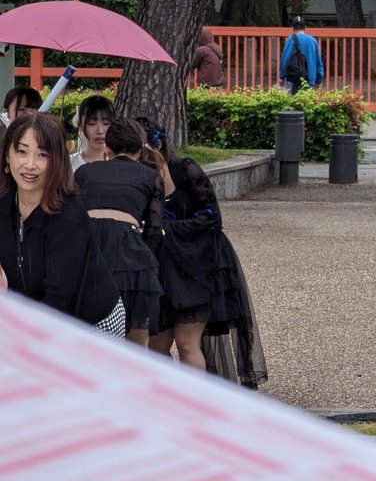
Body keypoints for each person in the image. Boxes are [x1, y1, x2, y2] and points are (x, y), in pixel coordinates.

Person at [136, 116, 265, 384]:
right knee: (156, 345)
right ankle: (163, 401)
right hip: (163, 268)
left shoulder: (186, 169)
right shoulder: (138, 179)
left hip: (200, 263)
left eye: (146, 150)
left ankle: (197, 403)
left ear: (158, 145)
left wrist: (165, 228)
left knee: (186, 342)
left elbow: (213, 219)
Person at [0, 112, 125, 337]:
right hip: (36, 313)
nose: (30, 165)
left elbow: (58, 297)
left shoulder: (68, 215)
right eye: (21, 151)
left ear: (57, 160)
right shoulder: (4, 201)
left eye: (42, 154)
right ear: (7, 155)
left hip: (91, 321)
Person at [74, 118, 165, 345]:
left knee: (88, 335)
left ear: (107, 147)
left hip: (88, 251)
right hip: (129, 250)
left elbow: (71, 216)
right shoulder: (150, 176)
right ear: (141, 147)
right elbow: (155, 230)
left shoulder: (84, 172)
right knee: (136, 341)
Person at [278, 15, 324, 95]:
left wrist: (281, 76)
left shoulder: (291, 39)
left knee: (294, 104)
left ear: (292, 28)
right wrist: (319, 80)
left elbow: (285, 59)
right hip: (310, 79)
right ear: (305, 27)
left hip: (294, 78)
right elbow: (318, 63)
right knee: (307, 104)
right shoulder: (313, 41)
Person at [70, 94, 115, 171]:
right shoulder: (68, 165)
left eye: (106, 123)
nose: (100, 131)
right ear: (80, 125)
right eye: (91, 123)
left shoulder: (120, 165)